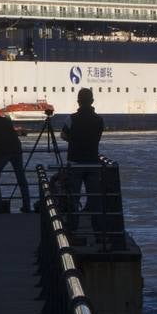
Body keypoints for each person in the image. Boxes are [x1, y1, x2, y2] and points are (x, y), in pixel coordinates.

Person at [60, 87, 105, 232]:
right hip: (93, 161)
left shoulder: (71, 118)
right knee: (95, 198)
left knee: (73, 197)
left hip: (75, 162)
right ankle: (98, 230)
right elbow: (98, 137)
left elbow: (63, 136)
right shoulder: (99, 120)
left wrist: (74, 140)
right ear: (92, 101)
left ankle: (73, 228)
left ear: (78, 102)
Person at [0, 105, 31, 212]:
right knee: (21, 177)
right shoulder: (6, 121)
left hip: (1, 152)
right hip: (16, 149)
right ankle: (27, 205)